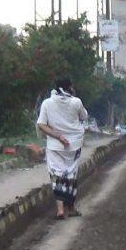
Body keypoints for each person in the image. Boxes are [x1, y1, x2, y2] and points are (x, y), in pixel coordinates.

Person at [36, 78, 89, 220]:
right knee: (71, 175)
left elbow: (41, 124)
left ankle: (60, 210)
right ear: (70, 88)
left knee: (56, 176)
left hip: (55, 146)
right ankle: (71, 208)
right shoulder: (76, 102)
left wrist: (58, 136)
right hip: (74, 145)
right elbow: (84, 116)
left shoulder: (47, 103)